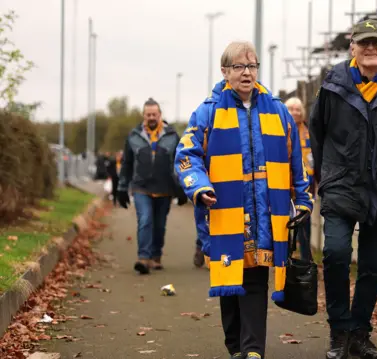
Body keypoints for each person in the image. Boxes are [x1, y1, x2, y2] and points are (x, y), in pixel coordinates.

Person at [174, 41, 313, 359]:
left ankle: (252, 351)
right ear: (225, 72)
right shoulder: (207, 111)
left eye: (252, 66)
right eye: (239, 66)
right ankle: (235, 346)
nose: (247, 72)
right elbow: (186, 155)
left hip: (266, 214)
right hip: (223, 213)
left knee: (254, 280)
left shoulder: (278, 111)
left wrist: (303, 200)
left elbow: (296, 162)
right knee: (229, 281)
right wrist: (198, 186)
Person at [309, 19, 377, 359]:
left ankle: (359, 332)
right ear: (352, 48)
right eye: (363, 43)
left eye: (376, 43)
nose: (370, 49)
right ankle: (339, 330)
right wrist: (327, 173)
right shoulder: (334, 84)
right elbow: (317, 130)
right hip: (340, 181)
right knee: (336, 253)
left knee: (372, 265)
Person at [116, 98, 188, 275]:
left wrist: (182, 188)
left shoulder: (172, 136)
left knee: (159, 225)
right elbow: (127, 163)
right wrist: (122, 188)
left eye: (154, 114)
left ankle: (156, 256)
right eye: (148, 114)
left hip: (165, 188)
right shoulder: (134, 136)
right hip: (141, 187)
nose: (151, 117)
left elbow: (179, 163)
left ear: (160, 115)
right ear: (143, 115)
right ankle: (143, 258)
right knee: (145, 220)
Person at [284, 97, 315, 261]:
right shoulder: (279, 130)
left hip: (306, 185)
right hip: (283, 184)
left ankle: (306, 260)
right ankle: (284, 257)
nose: (294, 112)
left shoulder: (310, 132)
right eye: (290, 108)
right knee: (283, 222)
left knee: (304, 223)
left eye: (298, 109)